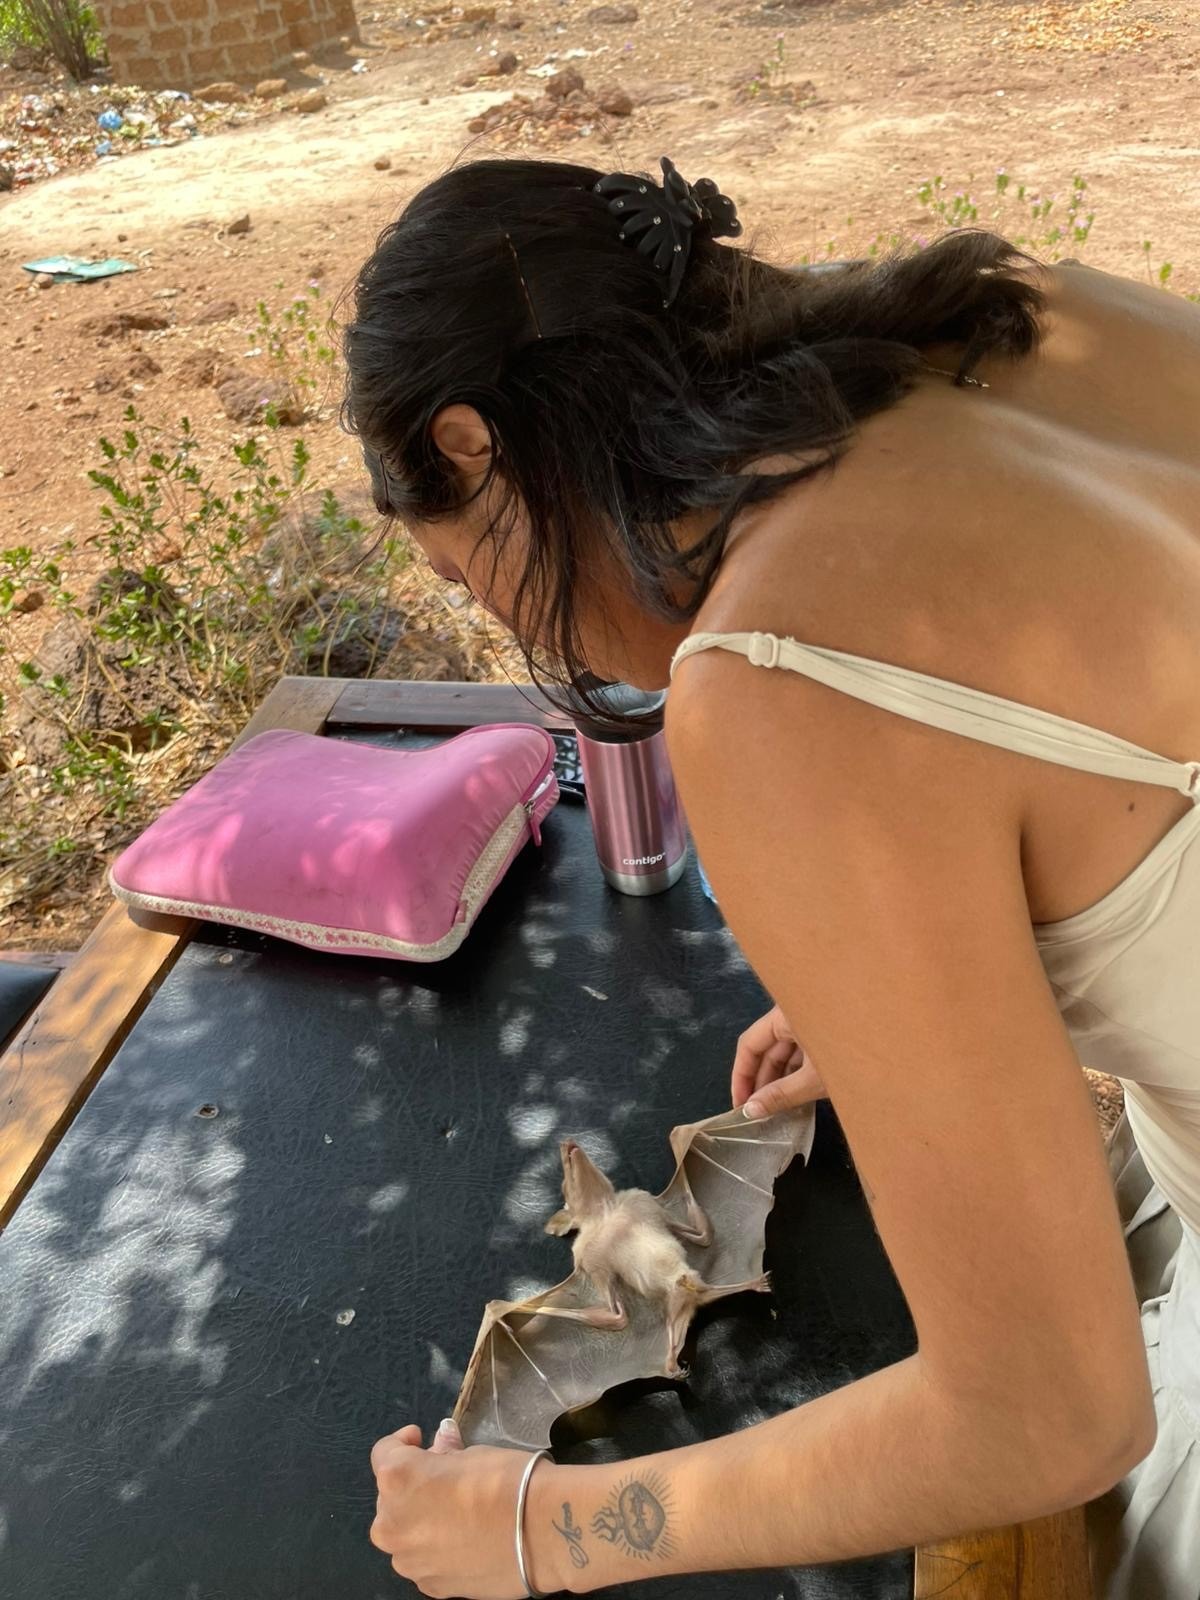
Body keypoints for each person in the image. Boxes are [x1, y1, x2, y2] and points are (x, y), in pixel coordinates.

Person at [343, 155, 1200, 1599]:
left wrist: (535, 1529)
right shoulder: (1028, 323)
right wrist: (930, 982)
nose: (503, 626)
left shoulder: (778, 679)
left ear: (476, 447)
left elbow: (1049, 1411)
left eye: (459, 578)